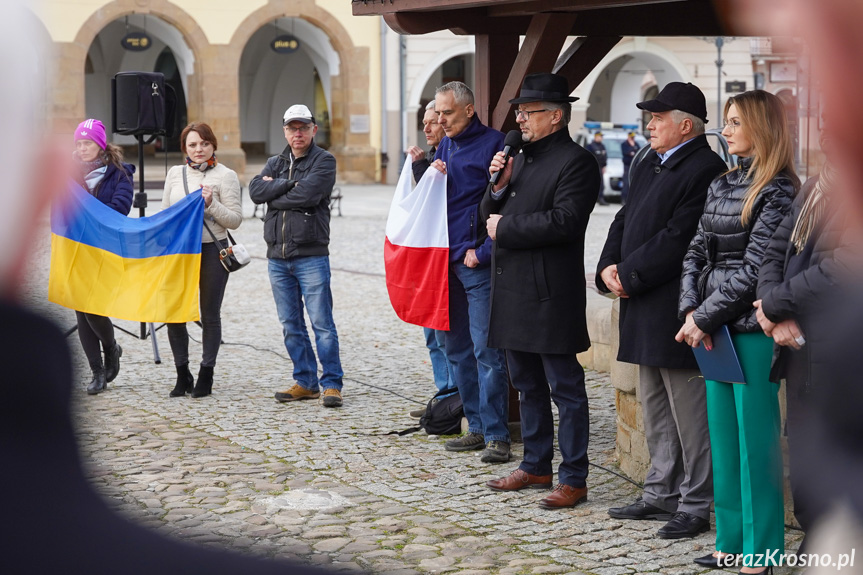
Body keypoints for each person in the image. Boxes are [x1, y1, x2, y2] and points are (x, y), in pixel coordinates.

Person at [597, 82, 726, 539]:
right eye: (649, 118)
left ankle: (695, 504)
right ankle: (659, 492)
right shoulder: (649, 160)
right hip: (641, 303)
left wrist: (628, 275)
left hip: (675, 307)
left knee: (690, 416)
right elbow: (623, 218)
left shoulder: (706, 168)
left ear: (685, 125)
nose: (649, 125)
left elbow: (680, 239)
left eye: (658, 118)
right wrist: (607, 268)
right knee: (654, 408)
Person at [676, 90, 798, 572]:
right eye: (725, 122)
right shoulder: (723, 182)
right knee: (724, 440)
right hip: (711, 328)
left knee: (756, 444)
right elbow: (694, 253)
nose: (724, 130)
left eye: (733, 122)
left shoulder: (780, 189)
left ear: (761, 128)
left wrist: (702, 316)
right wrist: (691, 310)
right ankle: (729, 540)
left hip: (748, 330)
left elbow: (756, 269)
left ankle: (762, 549)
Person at [481, 73, 599, 508]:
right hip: (513, 292)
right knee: (527, 386)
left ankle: (574, 477)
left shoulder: (577, 162)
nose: (521, 120)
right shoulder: (519, 158)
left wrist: (506, 227)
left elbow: (565, 221)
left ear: (556, 116)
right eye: (519, 112)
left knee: (565, 389)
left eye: (529, 113)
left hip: (550, 295)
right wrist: (496, 184)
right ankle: (535, 465)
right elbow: (484, 214)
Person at [754, 145, 843, 550]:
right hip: (799, 346)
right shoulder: (812, 189)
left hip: (838, 348)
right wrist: (775, 307)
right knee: (804, 447)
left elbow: (843, 266)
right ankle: (815, 536)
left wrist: (775, 304)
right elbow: (774, 251)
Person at [429, 81, 510, 462]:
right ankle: (475, 427)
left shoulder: (495, 144)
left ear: (468, 110)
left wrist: (485, 252)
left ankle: (497, 434)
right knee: (455, 348)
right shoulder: (445, 142)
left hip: (475, 263)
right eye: (437, 113)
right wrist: (431, 171)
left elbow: (507, 204)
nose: (440, 120)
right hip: (444, 262)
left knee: (486, 350)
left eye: (446, 113)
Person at [249, 104, 344, 408]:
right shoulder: (275, 162)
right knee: (291, 324)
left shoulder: (324, 161)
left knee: (322, 323)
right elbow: (254, 191)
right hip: (278, 256)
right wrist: (290, 184)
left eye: (303, 127)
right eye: (292, 128)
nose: (298, 133)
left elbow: (310, 195)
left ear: (313, 130)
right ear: (285, 131)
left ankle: (331, 384)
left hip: (311, 254)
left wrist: (275, 193)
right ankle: (305, 381)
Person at [162, 122, 242, 398]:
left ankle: (206, 373)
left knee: (209, 314)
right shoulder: (174, 174)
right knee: (174, 312)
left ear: (213, 145)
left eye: (204, 144)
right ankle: (182, 373)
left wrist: (212, 204)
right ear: (184, 147)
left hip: (211, 250)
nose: (199, 149)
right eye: (193, 145)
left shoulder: (226, 175)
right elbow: (165, 214)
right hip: (179, 253)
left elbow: (235, 220)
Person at [71, 118, 134, 395]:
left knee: (94, 309)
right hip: (76, 248)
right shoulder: (68, 174)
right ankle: (97, 372)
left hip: (107, 249)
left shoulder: (120, 173)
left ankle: (111, 347)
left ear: (100, 145)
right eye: (78, 144)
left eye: (87, 143)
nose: (82, 148)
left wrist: (82, 203)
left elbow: (120, 208)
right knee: (80, 310)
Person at [407, 101, 456, 418]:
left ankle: (453, 397)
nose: (426, 127)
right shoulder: (433, 156)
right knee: (431, 335)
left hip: (446, 260)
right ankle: (444, 394)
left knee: (445, 336)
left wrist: (424, 169)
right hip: (428, 262)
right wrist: (419, 168)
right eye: (424, 122)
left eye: (432, 122)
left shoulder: (449, 155)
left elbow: (442, 203)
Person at [586, 132, 609, 205]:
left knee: (600, 184)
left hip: (600, 167)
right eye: (600, 136)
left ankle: (600, 198)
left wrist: (604, 166)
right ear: (596, 137)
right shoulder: (590, 146)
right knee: (591, 183)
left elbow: (604, 157)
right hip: (593, 167)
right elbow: (587, 157)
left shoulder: (602, 146)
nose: (601, 138)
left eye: (602, 136)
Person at [620, 132, 640, 205]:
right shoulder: (624, 144)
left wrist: (633, 149)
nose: (632, 139)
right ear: (628, 137)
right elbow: (626, 152)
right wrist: (632, 147)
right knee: (626, 183)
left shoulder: (636, 144)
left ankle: (631, 199)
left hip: (635, 166)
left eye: (633, 137)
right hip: (627, 166)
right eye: (631, 137)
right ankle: (623, 199)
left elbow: (638, 152)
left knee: (633, 183)